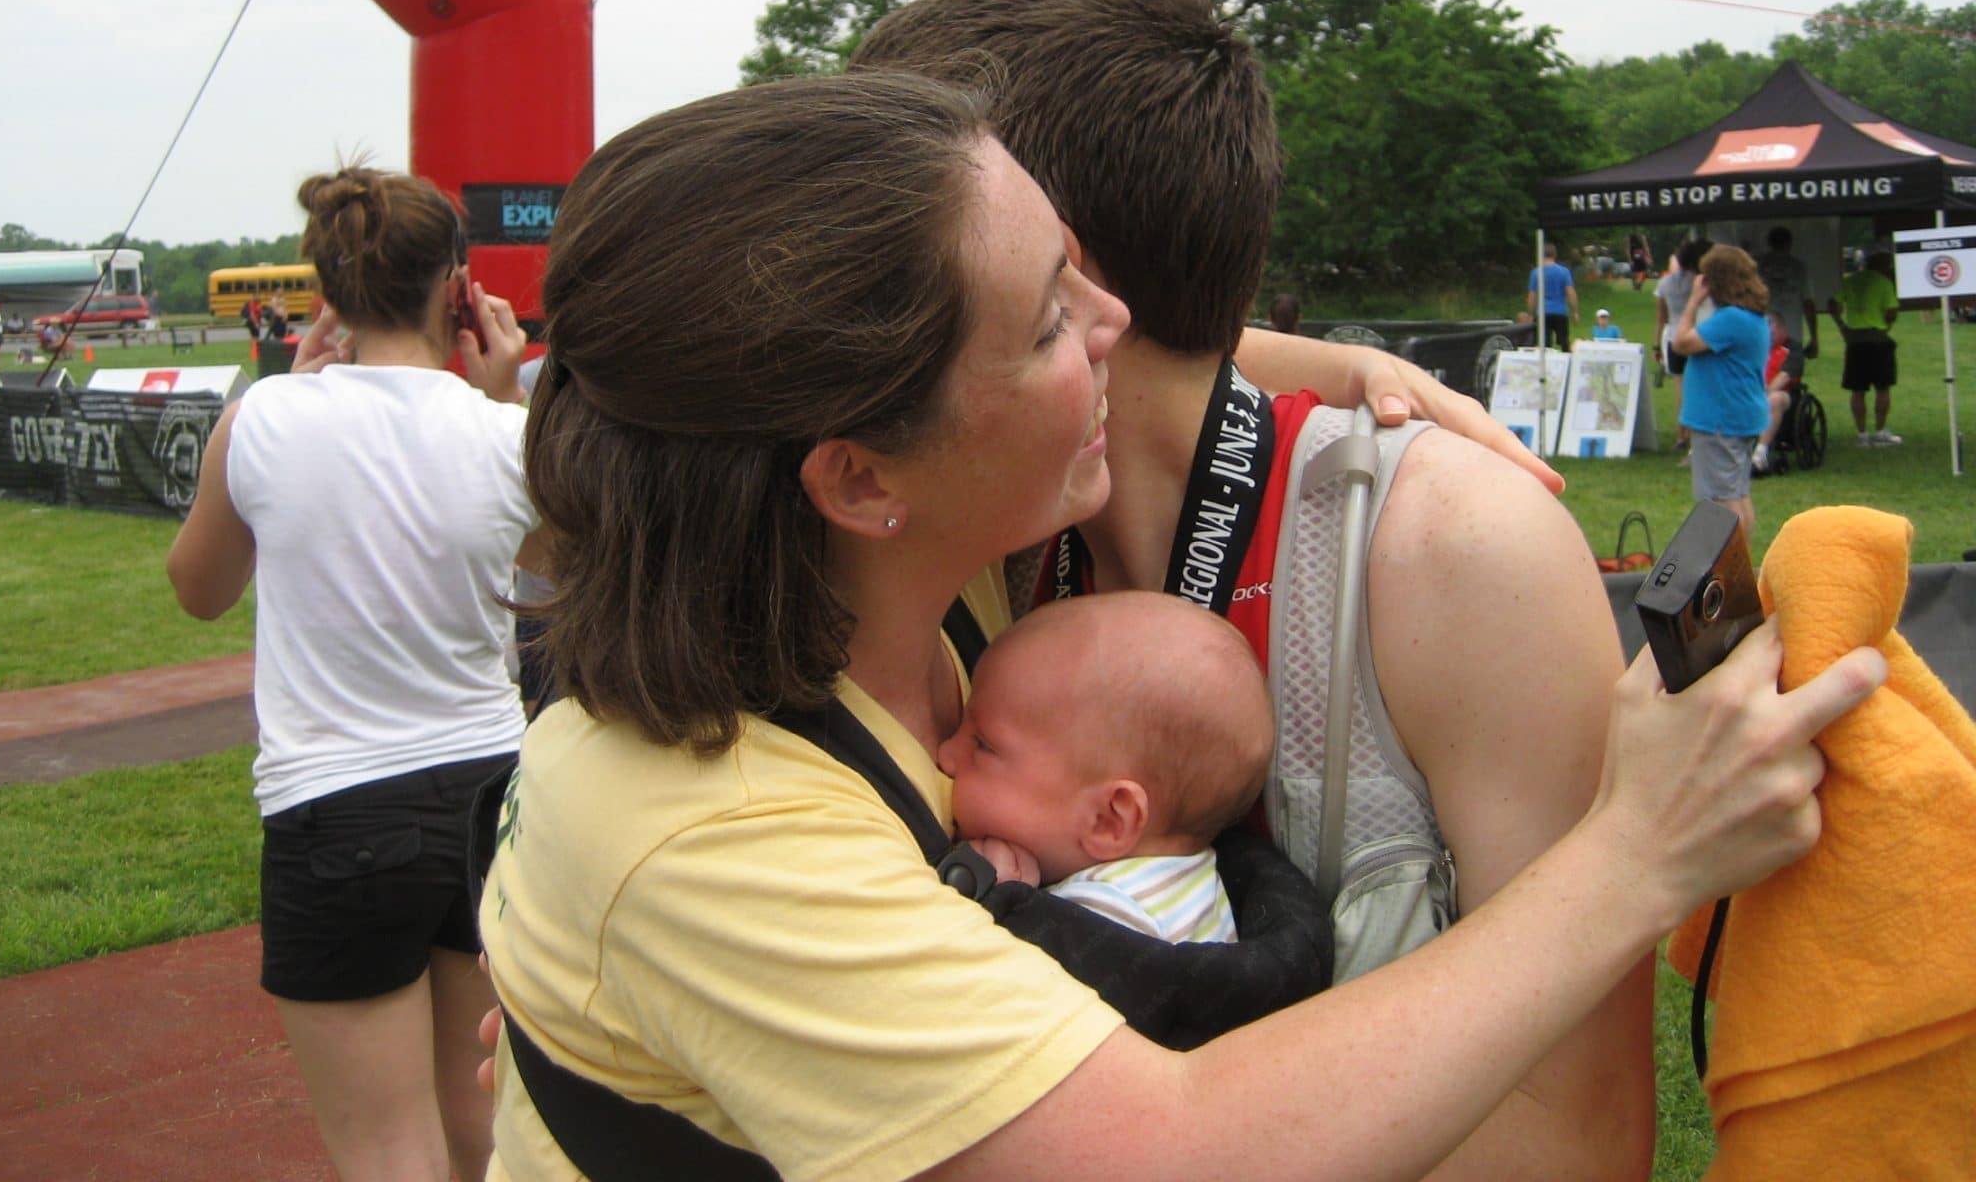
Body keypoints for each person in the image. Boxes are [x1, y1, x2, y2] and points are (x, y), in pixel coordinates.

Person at [481, 70, 1882, 1182]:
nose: (1114, 324)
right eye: (1049, 318)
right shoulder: (705, 830)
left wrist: (1338, 365)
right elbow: (1180, 1145)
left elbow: (1133, 366)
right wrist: (1639, 853)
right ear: (859, 478)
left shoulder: (881, 591)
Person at [852, 0, 1660, 1167]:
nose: (855, 308)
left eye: (888, 253)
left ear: (1065, 279)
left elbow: (1567, 1136)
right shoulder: (964, 532)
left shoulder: (1450, 550)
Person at [168, 164, 538, 1182]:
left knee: (384, 1147)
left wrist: (284, 400)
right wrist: (499, 401)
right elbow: (567, 572)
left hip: (333, 811)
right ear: (457, 288)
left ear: (325, 291)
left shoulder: (266, 421)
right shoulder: (507, 436)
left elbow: (198, 589)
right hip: (487, 795)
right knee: (486, 1131)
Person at [940, 592, 1271, 944]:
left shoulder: (1109, 916)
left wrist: (993, 899)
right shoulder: (1187, 884)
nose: (945, 755)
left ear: (1109, 819)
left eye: (983, 745)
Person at [1671, 243, 1771, 541]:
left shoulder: (1731, 319)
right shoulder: (1753, 317)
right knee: (1738, 493)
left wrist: (1693, 302)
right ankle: (1741, 564)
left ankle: (1732, 567)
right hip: (1741, 414)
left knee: (1723, 501)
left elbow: (1681, 344)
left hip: (1720, 419)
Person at [1830, 249, 1901, 447]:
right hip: (1878, 339)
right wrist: (1887, 325)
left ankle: (1861, 434)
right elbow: (1892, 311)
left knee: (1857, 389)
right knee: (1883, 387)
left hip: (1855, 341)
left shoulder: (1851, 280)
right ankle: (1879, 431)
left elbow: (1832, 304)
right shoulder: (1884, 283)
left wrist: (1842, 327)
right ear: (1883, 266)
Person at [1655, 237, 1712, 452]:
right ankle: (1696, 433)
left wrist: (1656, 343)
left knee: (1680, 387)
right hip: (1694, 335)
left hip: (1672, 336)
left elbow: (1661, 316)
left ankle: (1681, 434)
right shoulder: (1698, 282)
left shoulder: (1665, 282)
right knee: (1698, 387)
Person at [1755, 225, 1819, 362]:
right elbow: (1808, 304)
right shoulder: (1799, 267)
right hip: (1793, 335)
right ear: (1790, 243)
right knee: (1791, 378)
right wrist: (1814, 338)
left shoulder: (1758, 267)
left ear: (1769, 243)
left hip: (1764, 334)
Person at [1754, 315, 1799, 476]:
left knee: (1774, 399)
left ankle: (1760, 453)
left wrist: (1764, 393)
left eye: (1772, 332)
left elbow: (1786, 375)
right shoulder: (1755, 347)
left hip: (1784, 394)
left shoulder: (1792, 348)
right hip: (1753, 392)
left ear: (1782, 329)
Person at [1526, 243, 1578, 351]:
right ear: (1555, 254)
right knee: (1564, 342)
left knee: (1544, 345)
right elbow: (1570, 292)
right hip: (1560, 311)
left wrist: (1530, 314)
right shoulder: (1564, 271)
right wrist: (1575, 311)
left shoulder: (1536, 273)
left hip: (1542, 312)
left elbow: (1532, 295)